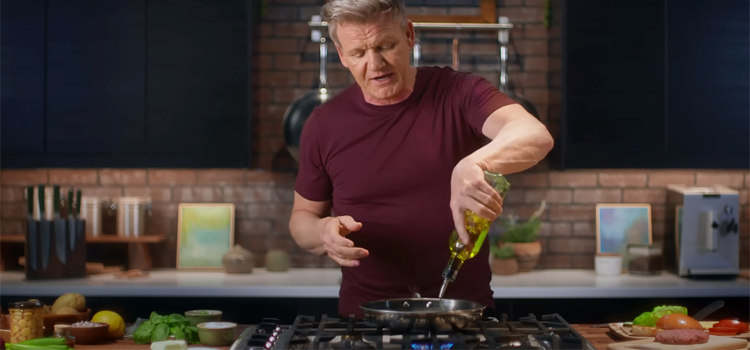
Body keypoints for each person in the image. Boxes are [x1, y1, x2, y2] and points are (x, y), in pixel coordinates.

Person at [288, 0, 554, 318]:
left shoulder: (459, 92)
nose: (375, 64)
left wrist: (474, 164)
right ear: (342, 55)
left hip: (463, 316)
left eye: (385, 46)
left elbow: (535, 135)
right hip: (365, 320)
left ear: (409, 35)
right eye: (359, 53)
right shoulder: (324, 123)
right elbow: (302, 218)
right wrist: (323, 232)